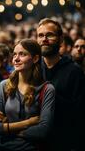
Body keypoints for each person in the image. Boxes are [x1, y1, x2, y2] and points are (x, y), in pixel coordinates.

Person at [0, 39, 55, 151]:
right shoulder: (4, 85)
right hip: (2, 147)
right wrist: (29, 123)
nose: (16, 59)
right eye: (14, 54)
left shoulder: (47, 89)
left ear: (35, 58)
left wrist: (7, 127)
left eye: (22, 54)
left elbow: (43, 131)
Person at [36, 18, 85, 151]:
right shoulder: (33, 68)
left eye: (49, 35)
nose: (44, 39)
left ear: (61, 39)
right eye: (40, 35)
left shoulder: (74, 71)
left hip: (62, 141)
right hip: (34, 141)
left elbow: (79, 113)